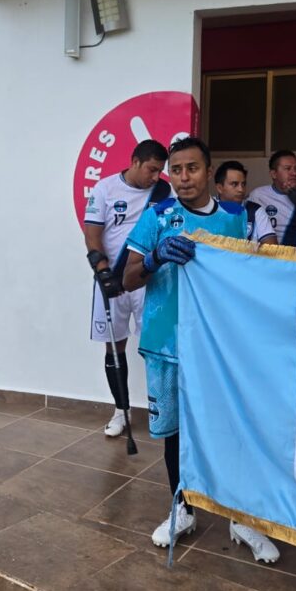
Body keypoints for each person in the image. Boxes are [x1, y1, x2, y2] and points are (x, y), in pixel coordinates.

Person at [123, 137, 281, 564]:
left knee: (232, 427)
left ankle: (239, 515)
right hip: (168, 343)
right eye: (175, 170)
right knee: (175, 432)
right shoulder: (158, 216)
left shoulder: (236, 218)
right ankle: (183, 507)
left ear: (209, 172)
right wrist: (154, 258)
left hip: (221, 346)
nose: (183, 177)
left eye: (191, 168)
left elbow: (256, 274)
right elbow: (128, 277)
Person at [83, 139, 170, 438]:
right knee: (114, 345)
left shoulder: (164, 192)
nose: (156, 177)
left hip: (148, 279)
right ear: (135, 162)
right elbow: (92, 236)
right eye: (151, 170)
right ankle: (121, 411)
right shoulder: (105, 189)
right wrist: (103, 272)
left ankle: (163, 410)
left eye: (159, 171)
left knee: (156, 346)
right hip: (113, 282)